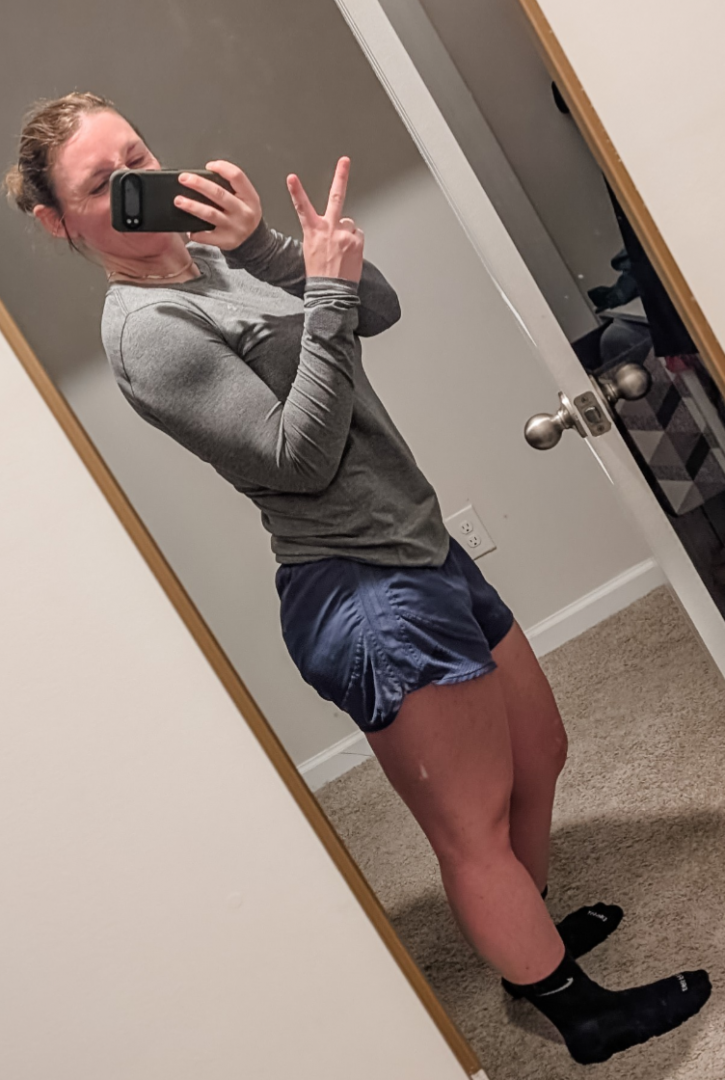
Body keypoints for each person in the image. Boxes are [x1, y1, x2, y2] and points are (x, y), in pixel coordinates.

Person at [4, 90, 711, 1066]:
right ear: (58, 221)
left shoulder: (217, 258)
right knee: (469, 825)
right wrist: (326, 296)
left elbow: (375, 308)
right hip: (362, 589)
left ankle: (528, 940)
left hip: (417, 541)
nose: (136, 182)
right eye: (100, 183)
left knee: (537, 752)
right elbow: (298, 458)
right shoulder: (150, 330)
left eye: (136, 155)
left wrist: (273, 250)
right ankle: (575, 1012)